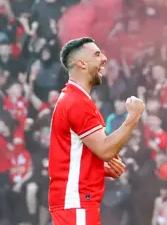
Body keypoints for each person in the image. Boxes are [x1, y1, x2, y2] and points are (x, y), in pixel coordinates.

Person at [48, 37, 145, 225]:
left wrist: (96, 167)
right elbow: (106, 150)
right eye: (97, 54)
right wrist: (133, 117)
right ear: (82, 63)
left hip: (74, 201)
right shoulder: (77, 103)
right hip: (76, 202)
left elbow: (71, 153)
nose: (104, 59)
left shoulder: (72, 98)